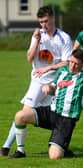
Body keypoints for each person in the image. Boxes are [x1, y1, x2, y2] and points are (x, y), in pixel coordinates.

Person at [10, 44, 83, 159]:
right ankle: (20, 151)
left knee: (55, 156)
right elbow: (52, 87)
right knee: (20, 116)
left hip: (66, 119)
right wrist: (48, 87)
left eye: (76, 64)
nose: (72, 66)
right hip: (51, 112)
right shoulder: (62, 70)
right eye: (71, 62)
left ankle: (62, 146)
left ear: (82, 65)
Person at [0, 5, 72, 156]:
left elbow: (66, 62)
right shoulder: (38, 35)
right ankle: (9, 148)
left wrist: (48, 68)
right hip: (38, 81)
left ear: (53, 18)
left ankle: (61, 144)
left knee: (59, 115)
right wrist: (36, 41)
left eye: (46, 21)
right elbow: (29, 58)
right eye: (41, 22)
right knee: (24, 113)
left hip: (56, 83)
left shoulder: (64, 38)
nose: (43, 25)